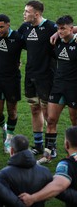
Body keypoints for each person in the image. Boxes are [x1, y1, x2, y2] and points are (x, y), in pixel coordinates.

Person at [17, 0, 57, 155]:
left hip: (47, 76)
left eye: (27, 11)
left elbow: (67, 34)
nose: (24, 13)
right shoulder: (25, 27)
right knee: (34, 109)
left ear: (37, 14)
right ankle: (39, 145)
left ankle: (51, 147)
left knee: (48, 114)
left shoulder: (51, 28)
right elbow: (15, 42)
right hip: (30, 75)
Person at [37, 15, 77, 164]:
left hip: (74, 87)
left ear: (71, 28)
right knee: (51, 119)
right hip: (58, 85)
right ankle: (49, 153)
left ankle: (75, 152)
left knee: (74, 122)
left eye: (63, 29)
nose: (60, 31)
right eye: (58, 28)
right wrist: (57, 33)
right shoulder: (57, 41)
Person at [0, 14, 24, 153]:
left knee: (12, 111)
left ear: (9, 25)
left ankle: (8, 139)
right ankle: (5, 128)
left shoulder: (18, 38)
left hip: (13, 79)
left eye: (1, 27)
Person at [19, 126, 77, 207]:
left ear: (67, 144)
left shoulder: (67, 164)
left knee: (47, 180)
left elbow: (58, 186)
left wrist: (32, 198)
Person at [0, 134, 52, 207]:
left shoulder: (4, 174)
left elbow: (1, 200)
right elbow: (50, 194)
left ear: (12, 150)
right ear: (27, 149)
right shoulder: (45, 171)